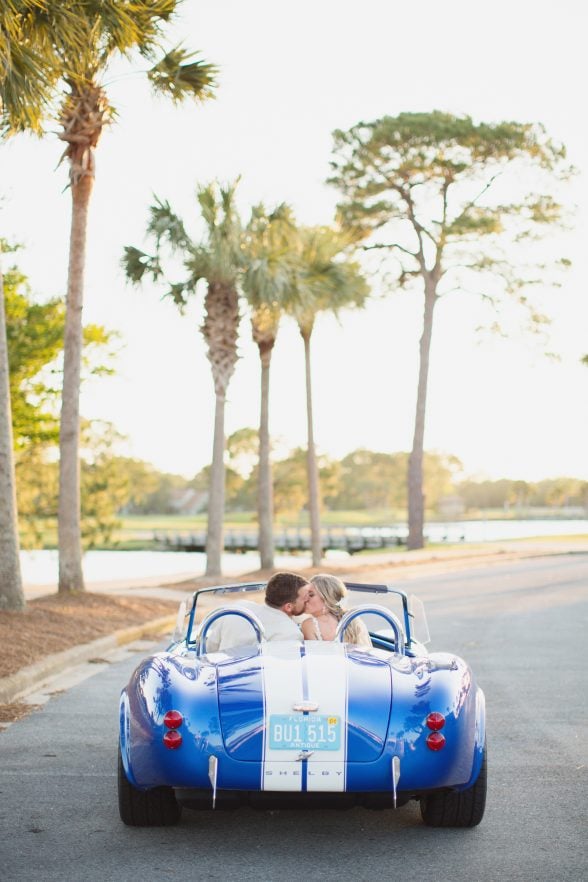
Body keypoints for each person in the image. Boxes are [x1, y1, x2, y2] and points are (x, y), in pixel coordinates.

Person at [204, 571, 311, 652]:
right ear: (288, 607)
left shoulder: (238, 607)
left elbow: (210, 647)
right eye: (306, 597)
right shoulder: (290, 633)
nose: (309, 600)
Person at [301, 573, 372, 647]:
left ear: (326, 598)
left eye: (311, 595)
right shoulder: (351, 618)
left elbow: (312, 656)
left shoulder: (309, 624)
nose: (305, 598)